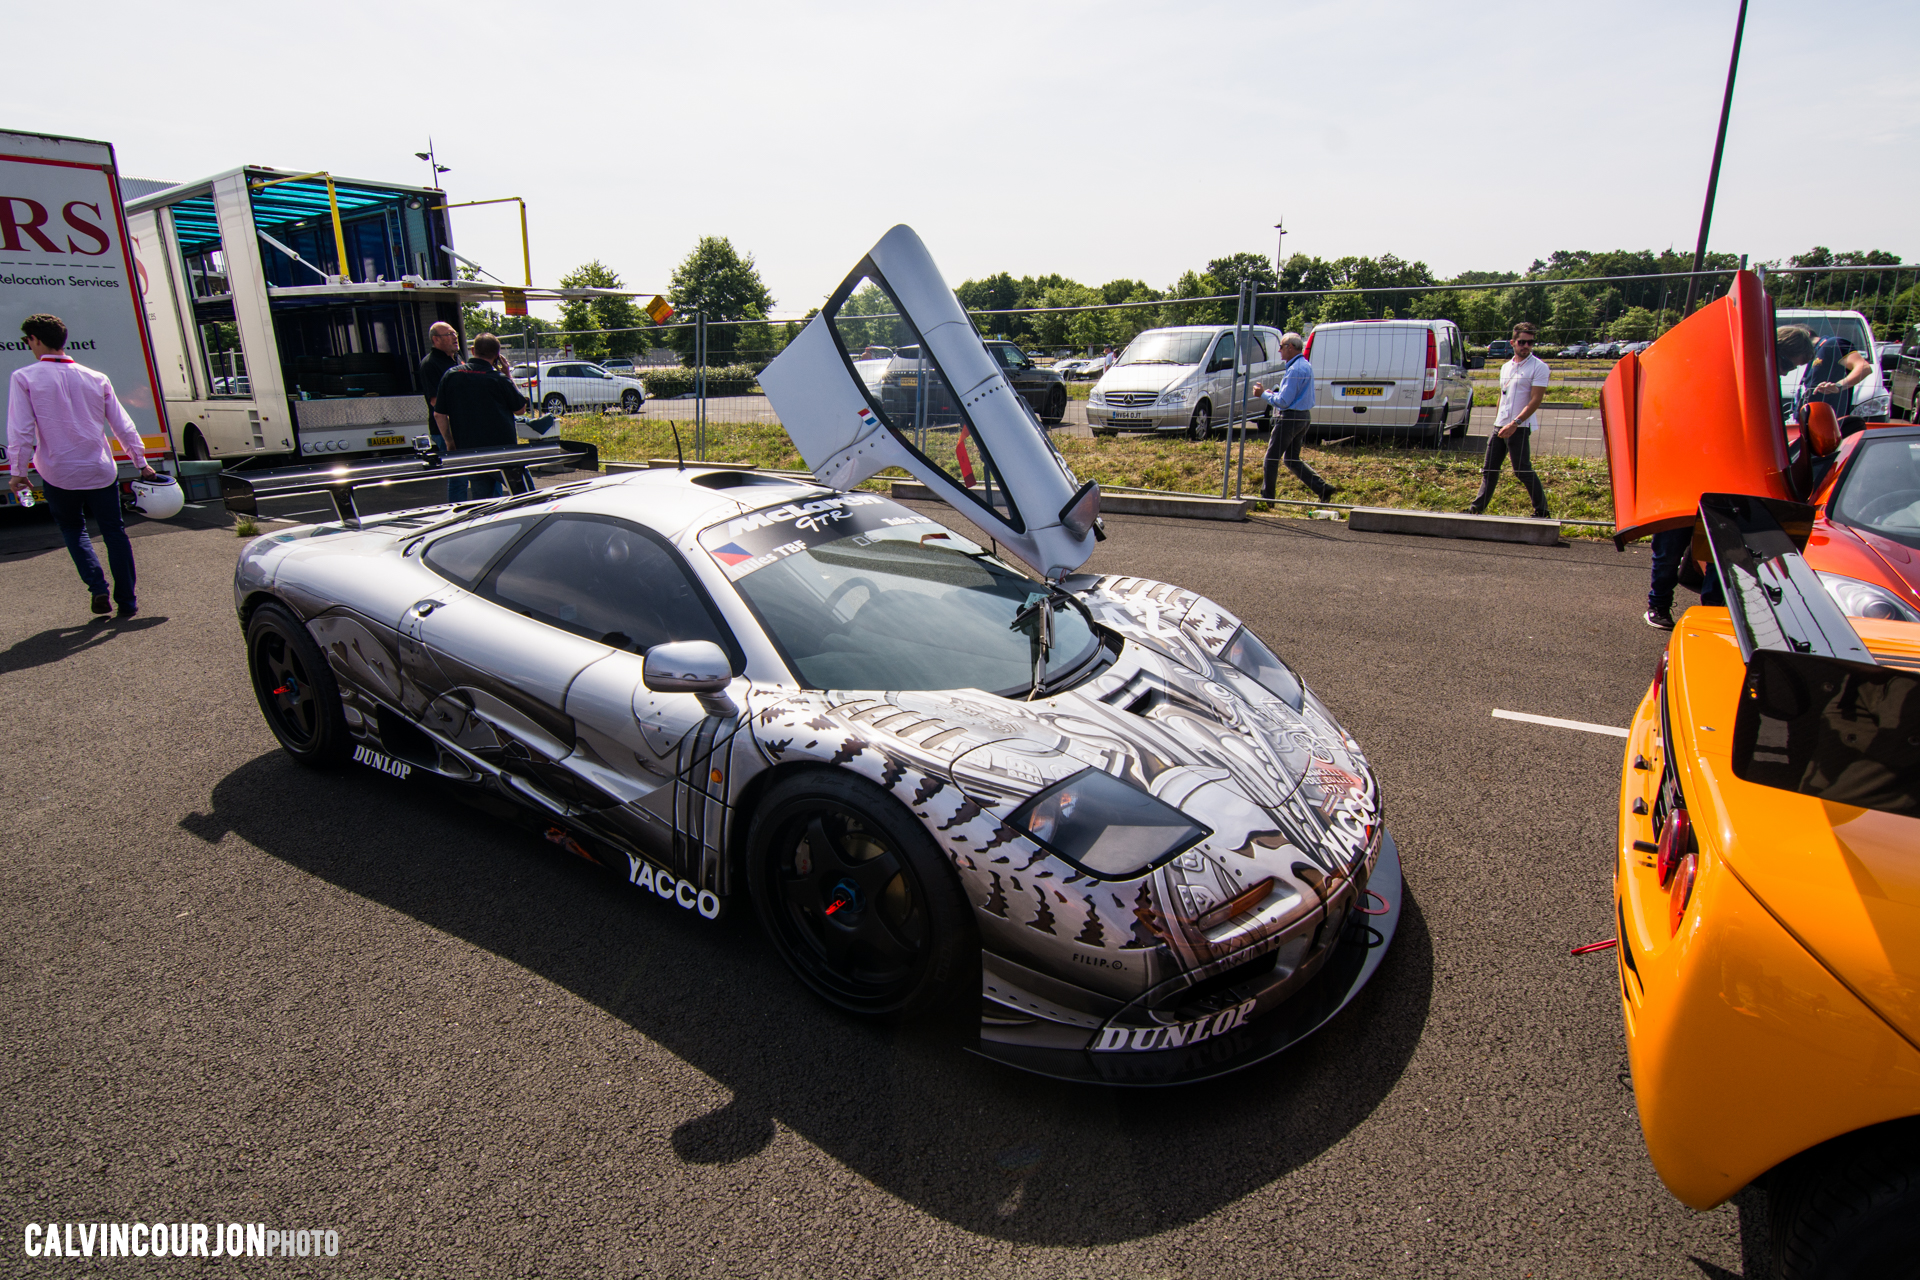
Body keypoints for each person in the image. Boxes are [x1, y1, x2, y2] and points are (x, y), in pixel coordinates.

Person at [7, 313, 157, 619]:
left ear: (35, 339)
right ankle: (127, 602)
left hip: (59, 472)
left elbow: (20, 430)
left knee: (74, 530)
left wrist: (18, 472)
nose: (28, 346)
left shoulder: (25, 378)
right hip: (100, 470)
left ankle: (98, 588)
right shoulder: (96, 377)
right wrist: (141, 462)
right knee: (115, 532)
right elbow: (122, 425)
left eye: (27, 340)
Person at [1466, 322, 1551, 518]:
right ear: (1512, 342)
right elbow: (1502, 396)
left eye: (1530, 343)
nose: (1526, 346)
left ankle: (1542, 510)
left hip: (1519, 427)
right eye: (1522, 342)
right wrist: (1499, 421)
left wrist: (1516, 423)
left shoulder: (1539, 367)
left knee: (1522, 470)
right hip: (1500, 425)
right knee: (1489, 469)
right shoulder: (1505, 367)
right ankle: (1476, 509)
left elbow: (1536, 400)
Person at [433, 333, 528, 502]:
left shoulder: (451, 375)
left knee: (482, 502)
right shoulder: (499, 379)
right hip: (503, 452)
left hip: (471, 451)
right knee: (527, 497)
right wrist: (508, 375)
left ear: (472, 350)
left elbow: (439, 414)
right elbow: (520, 409)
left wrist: (450, 442)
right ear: (498, 356)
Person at [1251, 331, 1334, 503]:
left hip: (1290, 418)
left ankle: (1268, 499)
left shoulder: (1295, 369)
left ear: (1290, 347)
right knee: (1291, 459)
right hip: (1303, 417)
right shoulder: (1305, 365)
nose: (1279, 350)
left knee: (1271, 458)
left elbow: (1283, 401)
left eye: (1281, 347)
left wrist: (1263, 395)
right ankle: (1323, 488)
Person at [1777, 324, 1872, 424]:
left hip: (1828, 423)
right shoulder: (1815, 353)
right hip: (1809, 422)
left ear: (1806, 335)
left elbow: (1864, 367)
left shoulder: (1833, 344)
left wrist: (1838, 386)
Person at [418, 321, 462, 448]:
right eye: (449, 334)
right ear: (436, 339)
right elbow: (436, 402)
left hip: (463, 427)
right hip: (445, 431)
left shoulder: (457, 359)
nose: (455, 337)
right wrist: (449, 438)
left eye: (455, 333)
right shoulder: (430, 364)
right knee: (455, 466)